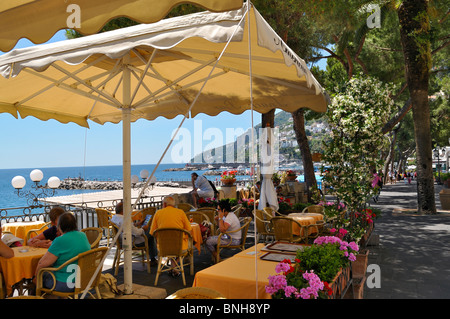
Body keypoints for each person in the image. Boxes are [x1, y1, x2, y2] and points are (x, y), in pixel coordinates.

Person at [34, 212, 91, 293]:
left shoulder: (60, 240)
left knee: (41, 275)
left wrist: (36, 278)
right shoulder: (83, 235)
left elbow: (41, 264)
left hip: (67, 284)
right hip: (85, 280)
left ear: (59, 226)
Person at [150, 196, 192, 277]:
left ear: (165, 204)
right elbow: (189, 231)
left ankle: (173, 267)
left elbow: (152, 233)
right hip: (179, 247)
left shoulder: (158, 213)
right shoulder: (180, 212)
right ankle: (174, 267)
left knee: (170, 247)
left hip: (163, 248)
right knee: (183, 245)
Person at [111, 202, 157, 266]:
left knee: (149, 236)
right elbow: (137, 233)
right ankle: (154, 257)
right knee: (151, 232)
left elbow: (127, 228)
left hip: (121, 242)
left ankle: (153, 258)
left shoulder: (114, 217)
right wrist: (143, 228)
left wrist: (137, 224)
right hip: (131, 243)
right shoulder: (125, 220)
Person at [205, 199, 241, 263]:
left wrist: (220, 218)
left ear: (224, 210)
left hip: (234, 240)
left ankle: (218, 258)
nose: (217, 211)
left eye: (218, 209)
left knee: (208, 242)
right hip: (230, 237)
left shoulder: (229, 217)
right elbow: (221, 227)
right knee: (208, 239)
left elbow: (222, 230)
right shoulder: (228, 215)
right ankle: (217, 257)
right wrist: (218, 220)